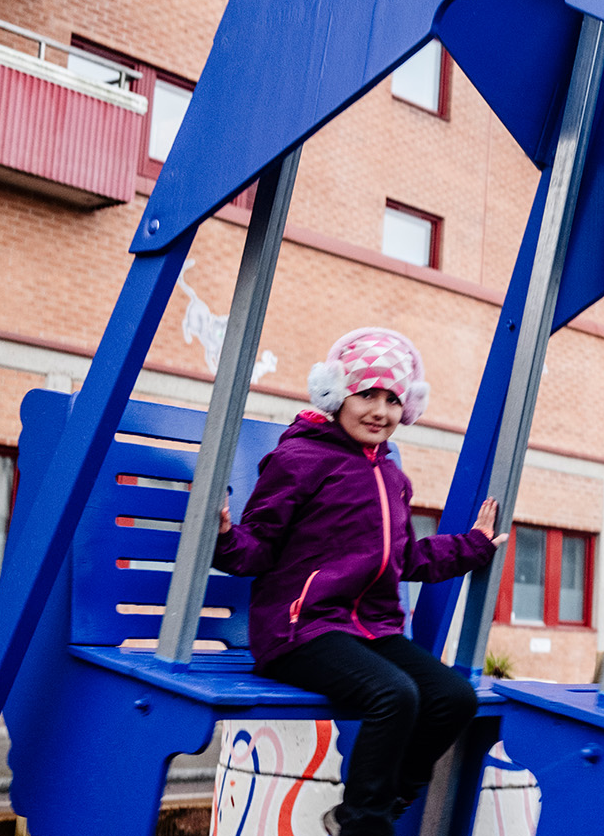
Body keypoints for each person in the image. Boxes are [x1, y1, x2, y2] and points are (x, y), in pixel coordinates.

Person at [214, 328, 504, 836]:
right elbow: (257, 546)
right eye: (367, 394)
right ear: (336, 396)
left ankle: (375, 812)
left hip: (372, 629)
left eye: (392, 399)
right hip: (300, 630)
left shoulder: (391, 475)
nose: (380, 410)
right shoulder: (299, 459)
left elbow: (406, 558)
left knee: (454, 698)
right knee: (394, 695)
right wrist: (221, 537)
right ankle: (364, 827)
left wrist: (473, 546)